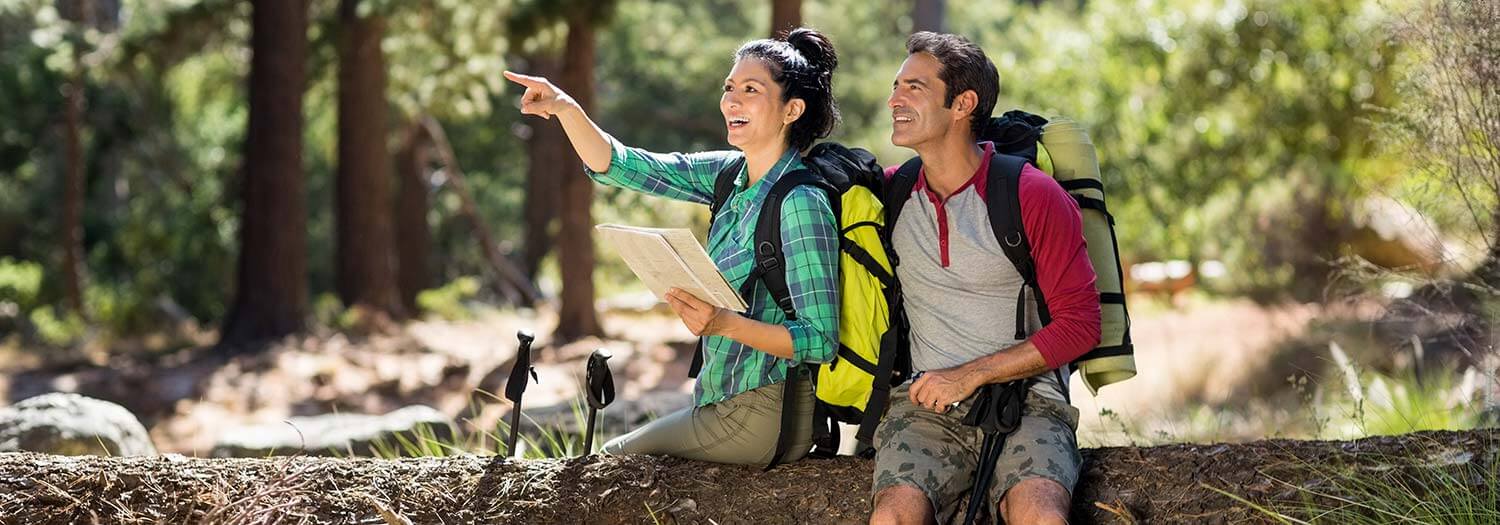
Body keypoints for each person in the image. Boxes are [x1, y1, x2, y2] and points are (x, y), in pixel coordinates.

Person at [502, 28, 841, 466]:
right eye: (729, 88)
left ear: (792, 109)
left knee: (610, 461)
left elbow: (820, 340)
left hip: (763, 414)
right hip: (720, 401)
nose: (732, 101)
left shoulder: (801, 203)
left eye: (751, 90)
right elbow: (622, 165)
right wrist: (566, 108)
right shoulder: (729, 174)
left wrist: (725, 324)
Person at [868, 32, 1102, 524]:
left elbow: (1081, 325)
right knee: (892, 516)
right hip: (923, 408)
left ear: (963, 104)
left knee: (1041, 515)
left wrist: (969, 375)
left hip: (1030, 402)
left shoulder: (1031, 195)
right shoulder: (891, 193)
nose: (894, 100)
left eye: (914, 87)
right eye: (895, 86)